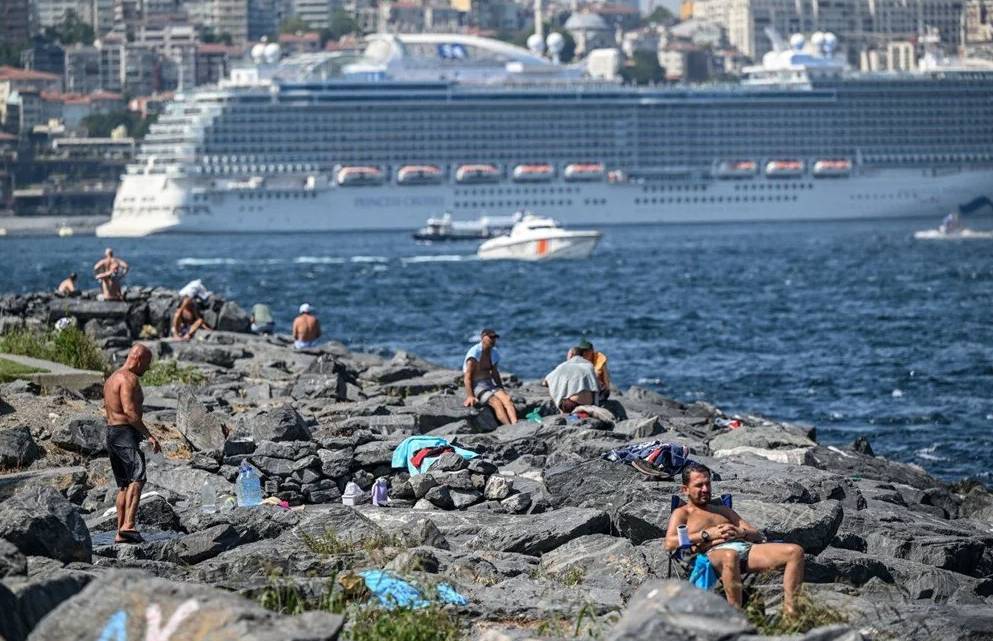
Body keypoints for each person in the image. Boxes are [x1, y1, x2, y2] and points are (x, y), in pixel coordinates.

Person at [664, 463, 805, 616]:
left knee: (795, 552)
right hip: (711, 554)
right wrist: (706, 535)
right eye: (699, 485)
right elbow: (670, 542)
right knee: (730, 555)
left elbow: (757, 534)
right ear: (685, 489)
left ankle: (792, 612)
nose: (705, 489)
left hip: (744, 548)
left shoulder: (723, 510)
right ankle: (736, 616)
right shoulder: (682, 513)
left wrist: (740, 532)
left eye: (708, 484)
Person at [103, 344, 160, 544]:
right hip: (126, 433)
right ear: (138, 359)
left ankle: (120, 533)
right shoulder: (129, 379)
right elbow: (130, 413)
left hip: (111, 433)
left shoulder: (112, 378)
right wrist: (149, 435)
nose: (148, 368)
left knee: (124, 485)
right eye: (147, 363)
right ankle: (129, 525)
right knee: (138, 478)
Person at [463, 328, 518, 425]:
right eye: (491, 337)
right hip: (477, 385)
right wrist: (470, 396)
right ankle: (509, 427)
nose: (493, 340)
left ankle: (515, 423)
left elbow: (495, 373)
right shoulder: (474, 353)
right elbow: (467, 377)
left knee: (507, 399)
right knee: (496, 403)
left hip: (489, 383)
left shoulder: (494, 353)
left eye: (495, 338)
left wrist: (501, 388)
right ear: (483, 338)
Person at [544, 349, 599, 414]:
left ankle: (562, 413)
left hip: (573, 404)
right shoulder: (590, 365)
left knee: (554, 388)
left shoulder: (564, 365)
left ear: (571, 355)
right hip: (590, 403)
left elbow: (547, 380)